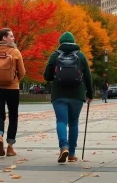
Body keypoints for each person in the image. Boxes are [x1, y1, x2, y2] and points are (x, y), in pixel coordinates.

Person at [43, 32, 93, 163]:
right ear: (73, 41)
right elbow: (88, 76)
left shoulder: (55, 55)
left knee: (61, 121)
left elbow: (46, 76)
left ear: (60, 43)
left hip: (59, 94)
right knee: (74, 122)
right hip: (77, 95)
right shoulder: (80, 56)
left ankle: (63, 146)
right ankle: (71, 153)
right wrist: (90, 93)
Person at [0, 28, 26, 157]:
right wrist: (14, 80)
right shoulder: (15, 52)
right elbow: (23, 72)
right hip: (12, 88)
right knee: (13, 116)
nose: (13, 38)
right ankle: (10, 147)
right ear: (4, 38)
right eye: (11, 36)